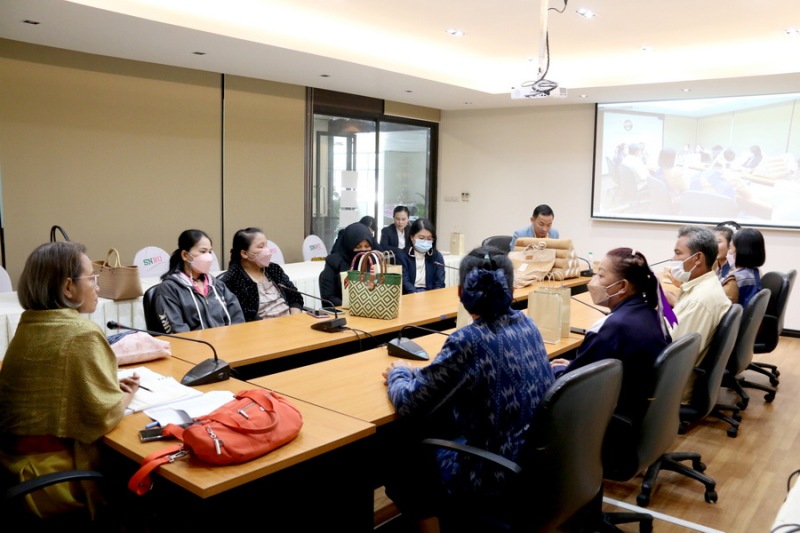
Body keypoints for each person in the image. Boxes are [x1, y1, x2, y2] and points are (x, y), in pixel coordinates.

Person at [382, 246, 554, 530]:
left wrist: (399, 372)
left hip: (492, 473)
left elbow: (410, 403)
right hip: (531, 464)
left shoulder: (469, 340)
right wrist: (424, 375)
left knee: (399, 445)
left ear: (460, 292)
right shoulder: (528, 324)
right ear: (511, 289)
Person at [0, 242, 140, 520]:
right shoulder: (80, 333)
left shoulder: (31, 322)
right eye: (92, 278)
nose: (97, 286)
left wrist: (101, 388)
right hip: (55, 478)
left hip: (14, 466)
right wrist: (126, 395)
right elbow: (103, 415)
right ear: (68, 287)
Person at [550, 248, 670, 425]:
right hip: (643, 412)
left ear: (622, 286)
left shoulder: (612, 327)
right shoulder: (654, 314)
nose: (594, 281)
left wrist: (557, 370)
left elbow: (570, 386)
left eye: (600, 275)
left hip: (612, 418)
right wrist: (574, 365)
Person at [665, 226, 731, 401]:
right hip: (676, 376)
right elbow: (675, 322)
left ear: (698, 258)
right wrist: (663, 303)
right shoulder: (703, 285)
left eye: (678, 253)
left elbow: (670, 349)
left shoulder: (699, 301)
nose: (673, 259)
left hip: (671, 389)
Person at [155, 229, 244, 333]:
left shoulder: (217, 285)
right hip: (194, 343)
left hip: (227, 341)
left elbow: (237, 318)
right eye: (202, 251)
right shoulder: (169, 289)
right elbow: (177, 329)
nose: (208, 257)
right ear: (185, 255)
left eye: (209, 252)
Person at [218, 228, 304, 321]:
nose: (267, 250)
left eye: (266, 245)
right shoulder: (233, 279)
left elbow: (295, 297)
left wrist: (294, 319)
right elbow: (243, 315)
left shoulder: (273, 269)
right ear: (244, 253)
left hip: (291, 321)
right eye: (261, 247)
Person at [319, 222, 379, 306]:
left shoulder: (372, 261)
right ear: (349, 244)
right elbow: (328, 297)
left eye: (367, 246)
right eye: (358, 247)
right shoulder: (334, 262)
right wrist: (353, 306)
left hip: (369, 309)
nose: (363, 250)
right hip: (342, 310)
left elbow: (375, 289)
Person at [399, 218, 445, 294]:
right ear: (412, 237)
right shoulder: (402, 256)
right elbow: (405, 282)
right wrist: (415, 294)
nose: (425, 242)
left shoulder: (437, 257)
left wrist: (435, 295)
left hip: (430, 294)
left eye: (429, 239)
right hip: (410, 294)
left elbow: (440, 282)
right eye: (421, 238)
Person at [721, 228, 765, 307]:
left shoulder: (734, 280)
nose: (728, 252)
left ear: (741, 251)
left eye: (730, 248)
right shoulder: (756, 271)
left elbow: (718, 306)